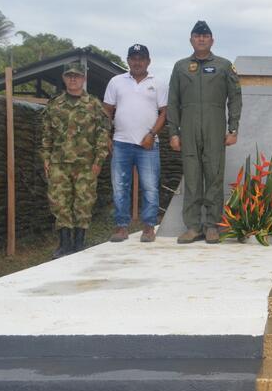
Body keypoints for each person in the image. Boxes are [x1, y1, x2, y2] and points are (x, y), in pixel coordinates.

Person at [167, 21, 242, 244]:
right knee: (191, 178)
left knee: (214, 176)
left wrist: (233, 128)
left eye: (205, 35)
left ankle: (212, 226)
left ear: (212, 40)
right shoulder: (180, 67)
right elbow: (173, 101)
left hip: (214, 127)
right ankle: (192, 227)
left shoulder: (223, 66)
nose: (201, 39)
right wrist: (173, 132)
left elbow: (235, 98)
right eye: (197, 35)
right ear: (191, 40)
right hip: (188, 129)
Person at [40, 61, 110, 258]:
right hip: (59, 163)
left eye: (77, 76)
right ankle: (64, 244)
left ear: (83, 78)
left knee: (83, 202)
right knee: (59, 203)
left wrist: (99, 161)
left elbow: (102, 134)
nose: (73, 79)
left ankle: (79, 243)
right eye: (69, 75)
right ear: (64, 78)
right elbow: (46, 134)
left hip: (86, 164)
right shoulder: (55, 104)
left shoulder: (94, 105)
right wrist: (46, 158)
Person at [103, 43, 168, 243]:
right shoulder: (116, 81)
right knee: (120, 187)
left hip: (148, 144)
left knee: (150, 187)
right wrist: (106, 135)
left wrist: (151, 134)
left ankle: (148, 227)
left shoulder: (158, 83)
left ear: (148, 61)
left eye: (141, 58)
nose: (137, 62)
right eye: (133, 58)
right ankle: (121, 227)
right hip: (121, 143)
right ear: (128, 60)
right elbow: (106, 110)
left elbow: (165, 113)